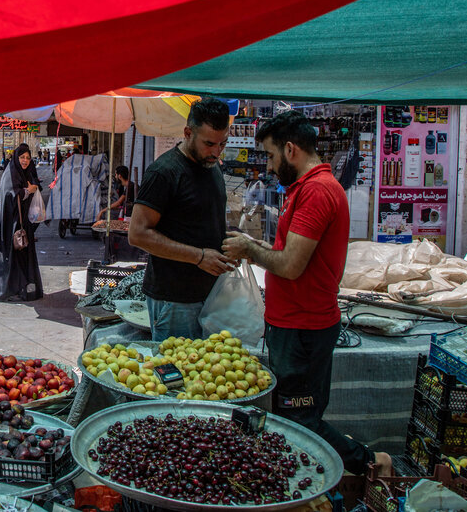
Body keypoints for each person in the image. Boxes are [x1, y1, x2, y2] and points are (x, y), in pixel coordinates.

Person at [221, 110, 390, 477]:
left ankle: (370, 464)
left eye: (270, 155)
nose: (268, 164)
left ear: (291, 150)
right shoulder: (308, 187)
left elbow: (291, 265)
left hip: (304, 329)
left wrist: (250, 248)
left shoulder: (316, 191)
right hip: (295, 324)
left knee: (300, 420)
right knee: (294, 414)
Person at [128, 99, 233, 340]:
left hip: (210, 297)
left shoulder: (212, 167)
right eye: (209, 144)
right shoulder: (163, 172)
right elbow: (138, 234)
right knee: (176, 375)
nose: (216, 152)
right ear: (188, 133)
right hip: (174, 301)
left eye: (222, 144)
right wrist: (199, 256)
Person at [0, 143, 43, 302]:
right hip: (10, 224)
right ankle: (7, 289)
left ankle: (23, 288)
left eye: (27, 158)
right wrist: (28, 191)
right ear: (16, 158)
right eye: (22, 157)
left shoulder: (25, 173)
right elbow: (11, 196)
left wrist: (33, 188)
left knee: (22, 256)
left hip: (22, 223)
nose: (25, 161)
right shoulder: (10, 173)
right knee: (11, 255)